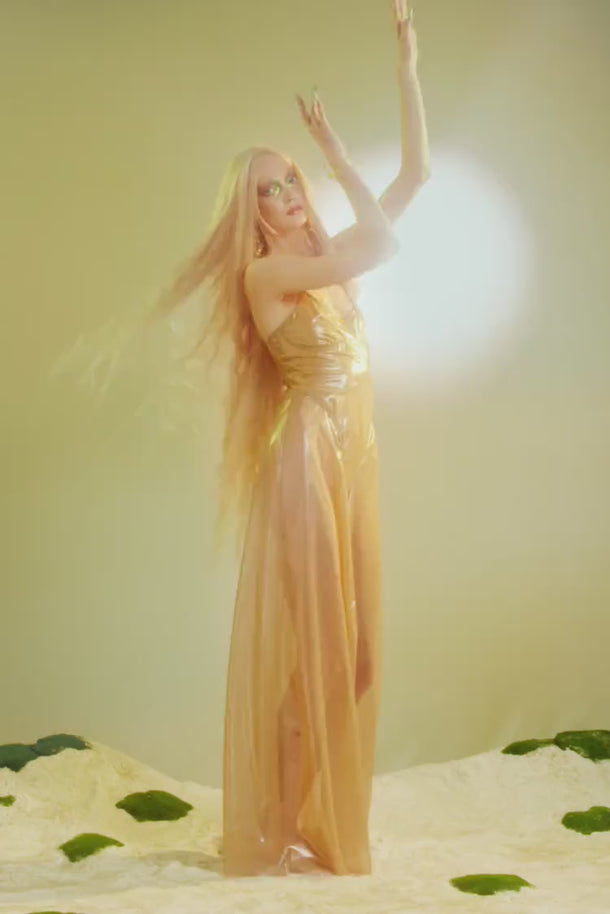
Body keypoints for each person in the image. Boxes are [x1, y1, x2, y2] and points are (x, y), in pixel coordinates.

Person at [145, 0, 429, 877]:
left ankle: (301, 812)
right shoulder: (269, 273)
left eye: (288, 179)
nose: (283, 195)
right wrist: (337, 152)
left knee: (359, 659)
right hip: (308, 461)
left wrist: (406, 68)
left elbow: (416, 175)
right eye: (266, 189)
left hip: (355, 460)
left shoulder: (325, 265)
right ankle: (274, 823)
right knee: (321, 652)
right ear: (252, 214)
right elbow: (383, 245)